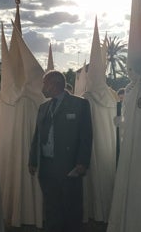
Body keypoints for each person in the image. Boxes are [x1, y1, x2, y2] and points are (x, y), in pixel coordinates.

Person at [29, 70, 93, 232]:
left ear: (54, 84)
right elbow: (37, 136)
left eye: (45, 83)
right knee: (51, 207)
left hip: (69, 165)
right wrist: (33, 160)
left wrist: (82, 162)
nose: (43, 87)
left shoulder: (79, 104)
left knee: (71, 207)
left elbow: (86, 135)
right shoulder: (43, 107)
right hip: (47, 165)